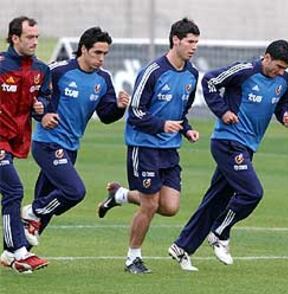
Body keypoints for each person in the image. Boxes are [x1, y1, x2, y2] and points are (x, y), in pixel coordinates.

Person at [168, 40, 288, 271]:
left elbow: (283, 104)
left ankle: (182, 247)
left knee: (216, 199)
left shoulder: (284, 80)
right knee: (252, 192)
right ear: (266, 57)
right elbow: (209, 81)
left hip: (247, 146)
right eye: (277, 66)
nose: (280, 72)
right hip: (228, 142)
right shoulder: (244, 71)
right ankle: (219, 232)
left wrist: (285, 114)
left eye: (284, 68)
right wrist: (223, 111)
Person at [96, 17, 200, 274]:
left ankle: (119, 195)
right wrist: (162, 125)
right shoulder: (153, 72)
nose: (194, 46)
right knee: (150, 204)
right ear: (175, 40)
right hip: (143, 147)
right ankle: (133, 258)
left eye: (197, 42)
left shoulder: (192, 74)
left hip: (170, 149)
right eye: (190, 41)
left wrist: (187, 130)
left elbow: (182, 113)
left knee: (170, 207)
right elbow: (135, 113)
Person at [20, 27, 130, 251]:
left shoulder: (103, 79)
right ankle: (32, 211)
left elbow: (106, 115)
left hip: (71, 146)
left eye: (104, 54)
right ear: (83, 49)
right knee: (74, 191)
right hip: (47, 143)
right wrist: (42, 115)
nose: (101, 58)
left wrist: (118, 108)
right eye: (97, 52)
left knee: (49, 198)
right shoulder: (59, 71)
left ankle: (15, 254)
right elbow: (31, 97)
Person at [0, 16, 50, 273]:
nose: (35, 41)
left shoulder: (41, 70)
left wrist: (42, 111)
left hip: (13, 140)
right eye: (29, 37)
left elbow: (42, 103)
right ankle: (18, 252)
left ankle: (10, 254)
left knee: (11, 191)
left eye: (37, 37)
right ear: (15, 38)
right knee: (13, 190)